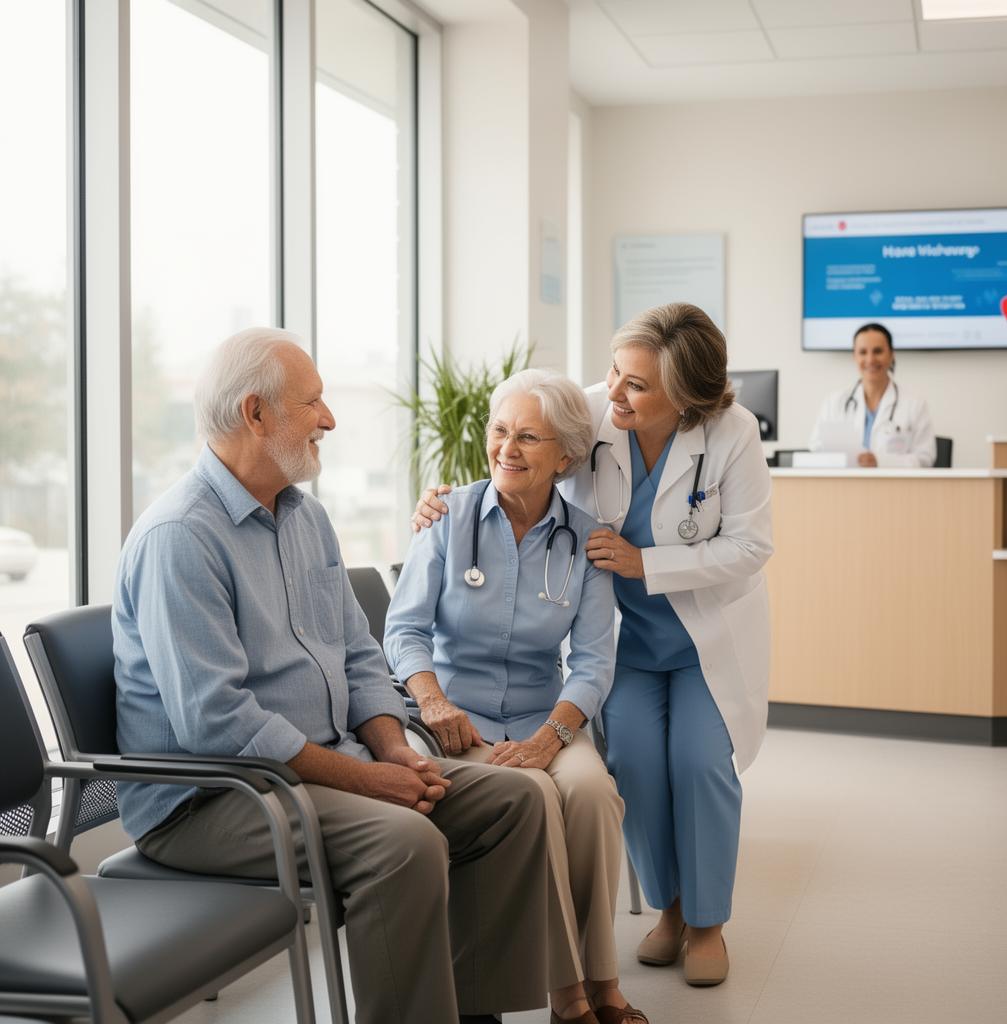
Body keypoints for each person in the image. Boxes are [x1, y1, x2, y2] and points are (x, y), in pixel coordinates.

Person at [112, 327, 553, 1024]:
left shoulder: (305, 518)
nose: (330, 419)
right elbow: (217, 723)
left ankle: (476, 1015)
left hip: (320, 767)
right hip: (210, 800)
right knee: (404, 842)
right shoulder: (180, 539)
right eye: (313, 403)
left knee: (514, 802)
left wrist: (394, 751)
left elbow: (357, 653)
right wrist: (368, 780)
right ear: (256, 415)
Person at [414, 303, 773, 987]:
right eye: (615, 371)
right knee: (633, 763)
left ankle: (708, 923)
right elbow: (519, 452)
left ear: (686, 394)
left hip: (704, 637)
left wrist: (647, 563)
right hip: (622, 638)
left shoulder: (731, 432)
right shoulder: (594, 410)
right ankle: (667, 910)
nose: (614, 390)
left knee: (700, 766)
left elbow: (753, 545)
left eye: (636, 384)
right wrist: (443, 503)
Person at [384, 369, 645, 1024]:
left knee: (588, 794)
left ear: (565, 455)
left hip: (543, 716)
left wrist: (549, 738)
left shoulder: (586, 540)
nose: (508, 448)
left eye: (529, 436)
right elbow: (404, 630)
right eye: (500, 431)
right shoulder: (446, 520)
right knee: (531, 800)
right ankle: (569, 994)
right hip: (455, 722)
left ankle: (602, 980)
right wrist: (434, 701)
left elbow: (591, 661)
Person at [809, 322, 936, 468]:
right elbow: (816, 449)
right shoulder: (834, 403)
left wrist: (881, 462)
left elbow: (925, 459)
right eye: (863, 352)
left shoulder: (915, 405)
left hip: (894, 488)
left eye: (878, 351)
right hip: (844, 487)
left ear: (891, 355)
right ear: (854, 356)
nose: (870, 359)